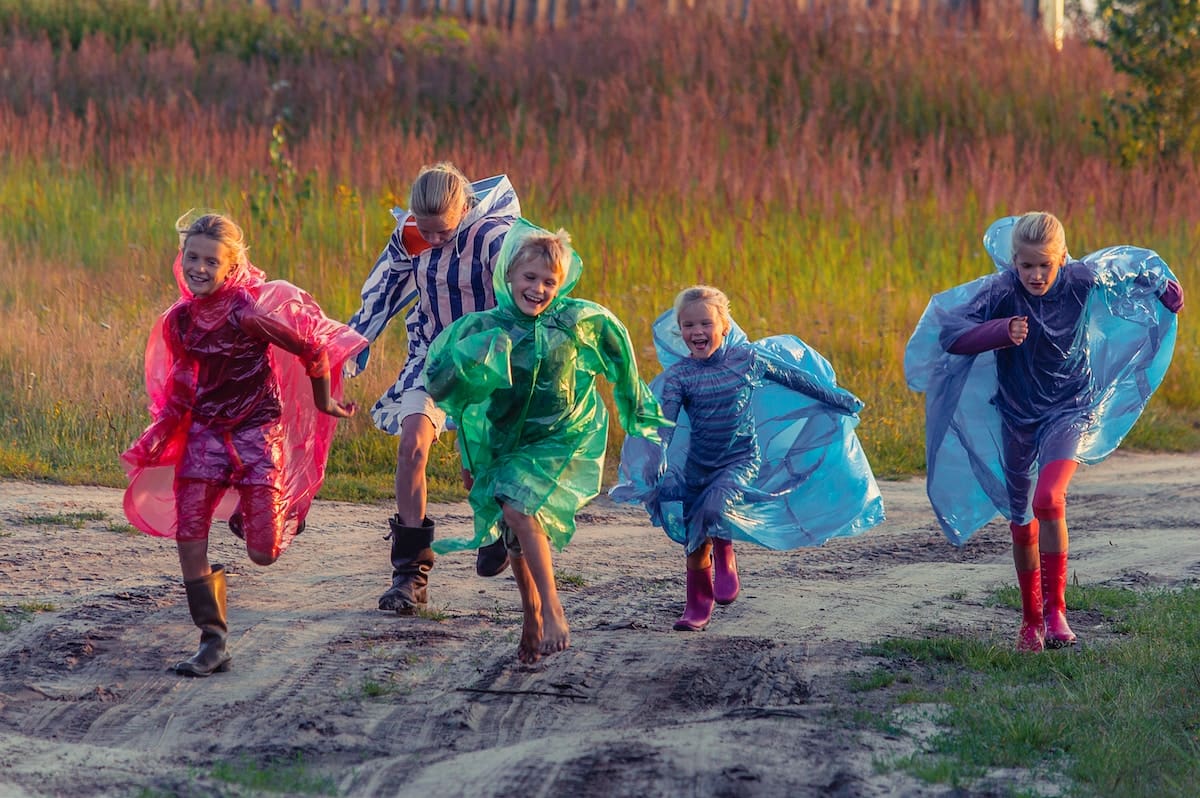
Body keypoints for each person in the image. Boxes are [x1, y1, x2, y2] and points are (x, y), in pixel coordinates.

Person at [905, 212, 1184, 652]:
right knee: (1021, 520)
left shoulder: (1080, 280)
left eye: (1044, 266)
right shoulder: (1001, 290)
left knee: (1049, 499)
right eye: (1026, 266)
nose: (1035, 275)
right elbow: (950, 334)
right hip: (1017, 417)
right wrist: (1000, 330)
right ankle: (1030, 620)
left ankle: (1057, 613)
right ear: (1014, 262)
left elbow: (1128, 268)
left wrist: (1165, 286)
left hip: (1070, 408)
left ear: (1061, 259)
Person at [122, 211, 366, 677]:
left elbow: (312, 350)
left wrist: (327, 404)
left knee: (263, 553)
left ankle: (273, 510)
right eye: (191, 257)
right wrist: (161, 434)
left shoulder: (248, 315)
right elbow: (179, 387)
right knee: (188, 533)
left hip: (257, 434)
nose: (198, 268)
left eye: (210, 261)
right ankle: (213, 641)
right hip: (205, 437)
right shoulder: (179, 322)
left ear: (231, 266)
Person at [423, 220, 669, 664]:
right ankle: (530, 612)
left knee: (519, 509)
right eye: (529, 278)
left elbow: (619, 351)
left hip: (561, 437)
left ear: (563, 283)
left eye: (549, 282)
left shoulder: (576, 322)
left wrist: (633, 405)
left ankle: (553, 609)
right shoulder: (486, 328)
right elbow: (455, 395)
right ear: (509, 277)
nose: (538, 289)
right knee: (515, 531)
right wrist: (467, 449)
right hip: (505, 443)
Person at [611, 286, 885, 631]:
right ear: (679, 331)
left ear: (724, 325)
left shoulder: (747, 360)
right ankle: (699, 596)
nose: (697, 332)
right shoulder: (680, 377)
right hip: (700, 465)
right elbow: (664, 422)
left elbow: (796, 379)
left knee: (714, 508)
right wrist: (655, 459)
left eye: (705, 324)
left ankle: (710, 582)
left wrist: (838, 399)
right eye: (688, 325)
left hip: (740, 459)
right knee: (695, 534)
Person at [345, 163, 521, 615]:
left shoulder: (495, 238)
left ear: (464, 208)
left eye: (442, 232)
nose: (434, 240)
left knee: (477, 460)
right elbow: (381, 292)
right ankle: (410, 575)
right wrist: (350, 345)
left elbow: (527, 296)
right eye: (426, 231)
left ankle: (496, 524)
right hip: (432, 355)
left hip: (487, 354)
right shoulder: (411, 235)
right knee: (413, 445)